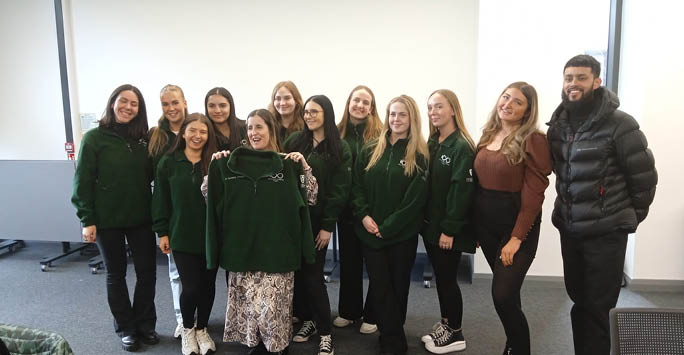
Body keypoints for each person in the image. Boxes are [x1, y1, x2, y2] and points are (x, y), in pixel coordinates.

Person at [547, 55, 657, 355]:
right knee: (579, 300)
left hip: (606, 233)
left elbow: (644, 178)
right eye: (568, 77)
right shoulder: (558, 125)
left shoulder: (620, 125)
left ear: (597, 81)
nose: (573, 84)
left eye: (581, 78)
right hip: (570, 230)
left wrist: (627, 218)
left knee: (598, 307)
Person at [205, 109, 317, 355]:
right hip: (242, 250)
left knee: (274, 307)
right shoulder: (229, 164)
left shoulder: (287, 165)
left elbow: (310, 197)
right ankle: (255, 344)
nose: (254, 133)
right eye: (250, 128)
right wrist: (215, 166)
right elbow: (207, 194)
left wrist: (304, 167)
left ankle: (277, 347)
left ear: (270, 130)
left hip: (277, 251)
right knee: (249, 306)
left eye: (259, 127)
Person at [71, 84, 157, 352]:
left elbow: (155, 175)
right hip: (107, 220)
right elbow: (82, 181)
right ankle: (126, 328)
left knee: (147, 274)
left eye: (134, 104)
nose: (128, 107)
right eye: (124, 102)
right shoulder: (95, 138)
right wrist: (87, 219)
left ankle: (145, 324)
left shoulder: (144, 140)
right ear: (112, 103)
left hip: (141, 217)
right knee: (116, 274)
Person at [473, 81, 552, 355]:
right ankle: (514, 343)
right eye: (505, 97)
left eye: (517, 102)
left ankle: (520, 349)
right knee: (509, 294)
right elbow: (478, 186)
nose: (507, 104)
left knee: (502, 295)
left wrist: (517, 238)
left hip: (516, 226)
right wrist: (474, 229)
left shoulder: (533, 139)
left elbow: (534, 194)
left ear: (527, 110)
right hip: (486, 226)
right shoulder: (488, 134)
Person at [351, 95, 429, 355]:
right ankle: (393, 339)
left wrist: (389, 226)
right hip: (370, 233)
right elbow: (356, 186)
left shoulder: (419, 154)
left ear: (412, 119)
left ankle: (391, 337)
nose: (396, 119)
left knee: (398, 288)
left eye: (402, 115)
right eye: (392, 114)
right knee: (380, 285)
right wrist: (363, 216)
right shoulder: (370, 148)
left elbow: (414, 200)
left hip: (401, 235)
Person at [284, 95, 352, 355]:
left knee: (313, 277)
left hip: (318, 224)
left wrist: (327, 225)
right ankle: (309, 320)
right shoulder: (294, 142)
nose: (309, 116)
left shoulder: (339, 147)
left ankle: (326, 333)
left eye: (315, 111)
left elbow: (340, 190)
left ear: (327, 114)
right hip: (294, 222)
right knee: (298, 275)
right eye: (306, 112)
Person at [152, 113, 218, 355]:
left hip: (211, 236)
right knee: (190, 287)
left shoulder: (215, 162)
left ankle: (202, 329)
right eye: (192, 131)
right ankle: (188, 330)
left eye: (203, 131)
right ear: (183, 133)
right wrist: (162, 232)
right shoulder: (168, 162)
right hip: (181, 235)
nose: (197, 136)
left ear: (208, 135)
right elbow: (160, 200)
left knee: (208, 286)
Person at [420, 89, 477, 354]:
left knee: (447, 279)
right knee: (442, 279)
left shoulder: (462, 146)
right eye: (430, 108)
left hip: (447, 230)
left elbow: (461, 191)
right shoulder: (433, 142)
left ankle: (456, 332)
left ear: (453, 109)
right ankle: (446, 323)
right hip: (431, 226)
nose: (433, 112)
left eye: (439, 107)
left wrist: (450, 229)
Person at [334, 85, 383, 334]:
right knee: (349, 263)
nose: (360, 106)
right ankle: (349, 311)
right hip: (345, 211)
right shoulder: (337, 132)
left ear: (372, 107)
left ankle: (372, 314)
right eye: (356, 100)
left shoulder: (380, 134)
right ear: (349, 102)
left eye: (366, 102)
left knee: (374, 264)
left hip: (369, 211)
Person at [148, 84, 188, 340]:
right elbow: (156, 183)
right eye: (165, 104)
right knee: (176, 271)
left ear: (185, 102)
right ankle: (182, 319)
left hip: (198, 212)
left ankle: (199, 318)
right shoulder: (156, 136)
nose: (171, 108)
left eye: (175, 102)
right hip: (171, 215)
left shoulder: (197, 127)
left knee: (202, 272)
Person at [205, 87, 247, 151]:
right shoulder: (203, 133)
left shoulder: (246, 128)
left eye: (222, 105)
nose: (217, 110)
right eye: (212, 106)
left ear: (231, 106)